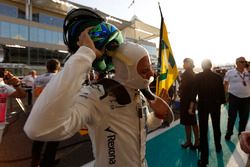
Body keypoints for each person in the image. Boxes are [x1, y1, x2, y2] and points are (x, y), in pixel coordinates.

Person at [24, 23, 174, 167]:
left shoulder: (138, 95)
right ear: (126, 70)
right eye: (144, 70)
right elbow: (39, 128)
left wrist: (158, 116)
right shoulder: (96, 96)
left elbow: (144, 126)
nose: (151, 74)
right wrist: (85, 54)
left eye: (150, 68)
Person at [189, 59, 226, 167]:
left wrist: (191, 106)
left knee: (204, 131)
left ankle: (204, 160)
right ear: (210, 65)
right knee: (216, 127)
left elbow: (193, 93)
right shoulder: (217, 77)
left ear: (202, 66)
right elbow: (221, 91)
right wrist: (222, 102)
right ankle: (218, 146)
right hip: (215, 105)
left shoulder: (198, 77)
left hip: (203, 106)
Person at [30, 59, 61, 167]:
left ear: (47, 67)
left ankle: (35, 162)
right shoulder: (59, 78)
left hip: (38, 111)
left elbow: (34, 93)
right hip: (53, 113)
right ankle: (47, 162)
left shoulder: (37, 78)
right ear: (58, 67)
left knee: (38, 138)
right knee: (54, 138)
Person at [224, 57, 250, 140]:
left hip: (246, 98)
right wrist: (226, 95)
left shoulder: (248, 73)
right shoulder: (230, 72)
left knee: (244, 117)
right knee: (232, 117)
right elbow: (225, 84)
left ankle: (241, 133)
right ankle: (229, 132)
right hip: (234, 97)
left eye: (244, 62)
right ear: (237, 63)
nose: (244, 63)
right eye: (242, 61)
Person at [179, 58, 199, 149]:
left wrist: (191, 106)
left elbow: (193, 92)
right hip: (186, 101)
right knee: (188, 122)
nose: (183, 64)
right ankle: (189, 141)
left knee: (192, 122)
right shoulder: (189, 74)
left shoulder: (189, 74)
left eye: (185, 63)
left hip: (189, 102)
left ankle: (196, 141)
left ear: (189, 64)